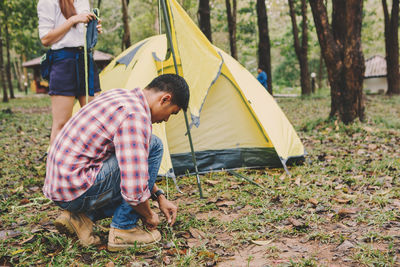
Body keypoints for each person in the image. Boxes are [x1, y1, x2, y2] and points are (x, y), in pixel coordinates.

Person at [43, 74, 190, 251]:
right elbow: (134, 187)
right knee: (155, 145)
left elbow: (128, 160)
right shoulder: (135, 117)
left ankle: (81, 219)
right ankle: (124, 229)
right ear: (165, 99)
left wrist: (159, 196)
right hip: (75, 189)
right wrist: (149, 215)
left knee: (148, 146)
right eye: (172, 113)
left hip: (62, 186)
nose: (166, 120)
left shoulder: (119, 96)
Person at [37, 0, 103, 144]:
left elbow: (78, 34)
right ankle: (55, 165)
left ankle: (90, 164)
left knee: (95, 120)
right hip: (63, 62)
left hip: (86, 59)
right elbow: (46, 39)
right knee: (61, 124)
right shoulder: (47, 2)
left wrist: (93, 27)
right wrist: (73, 20)